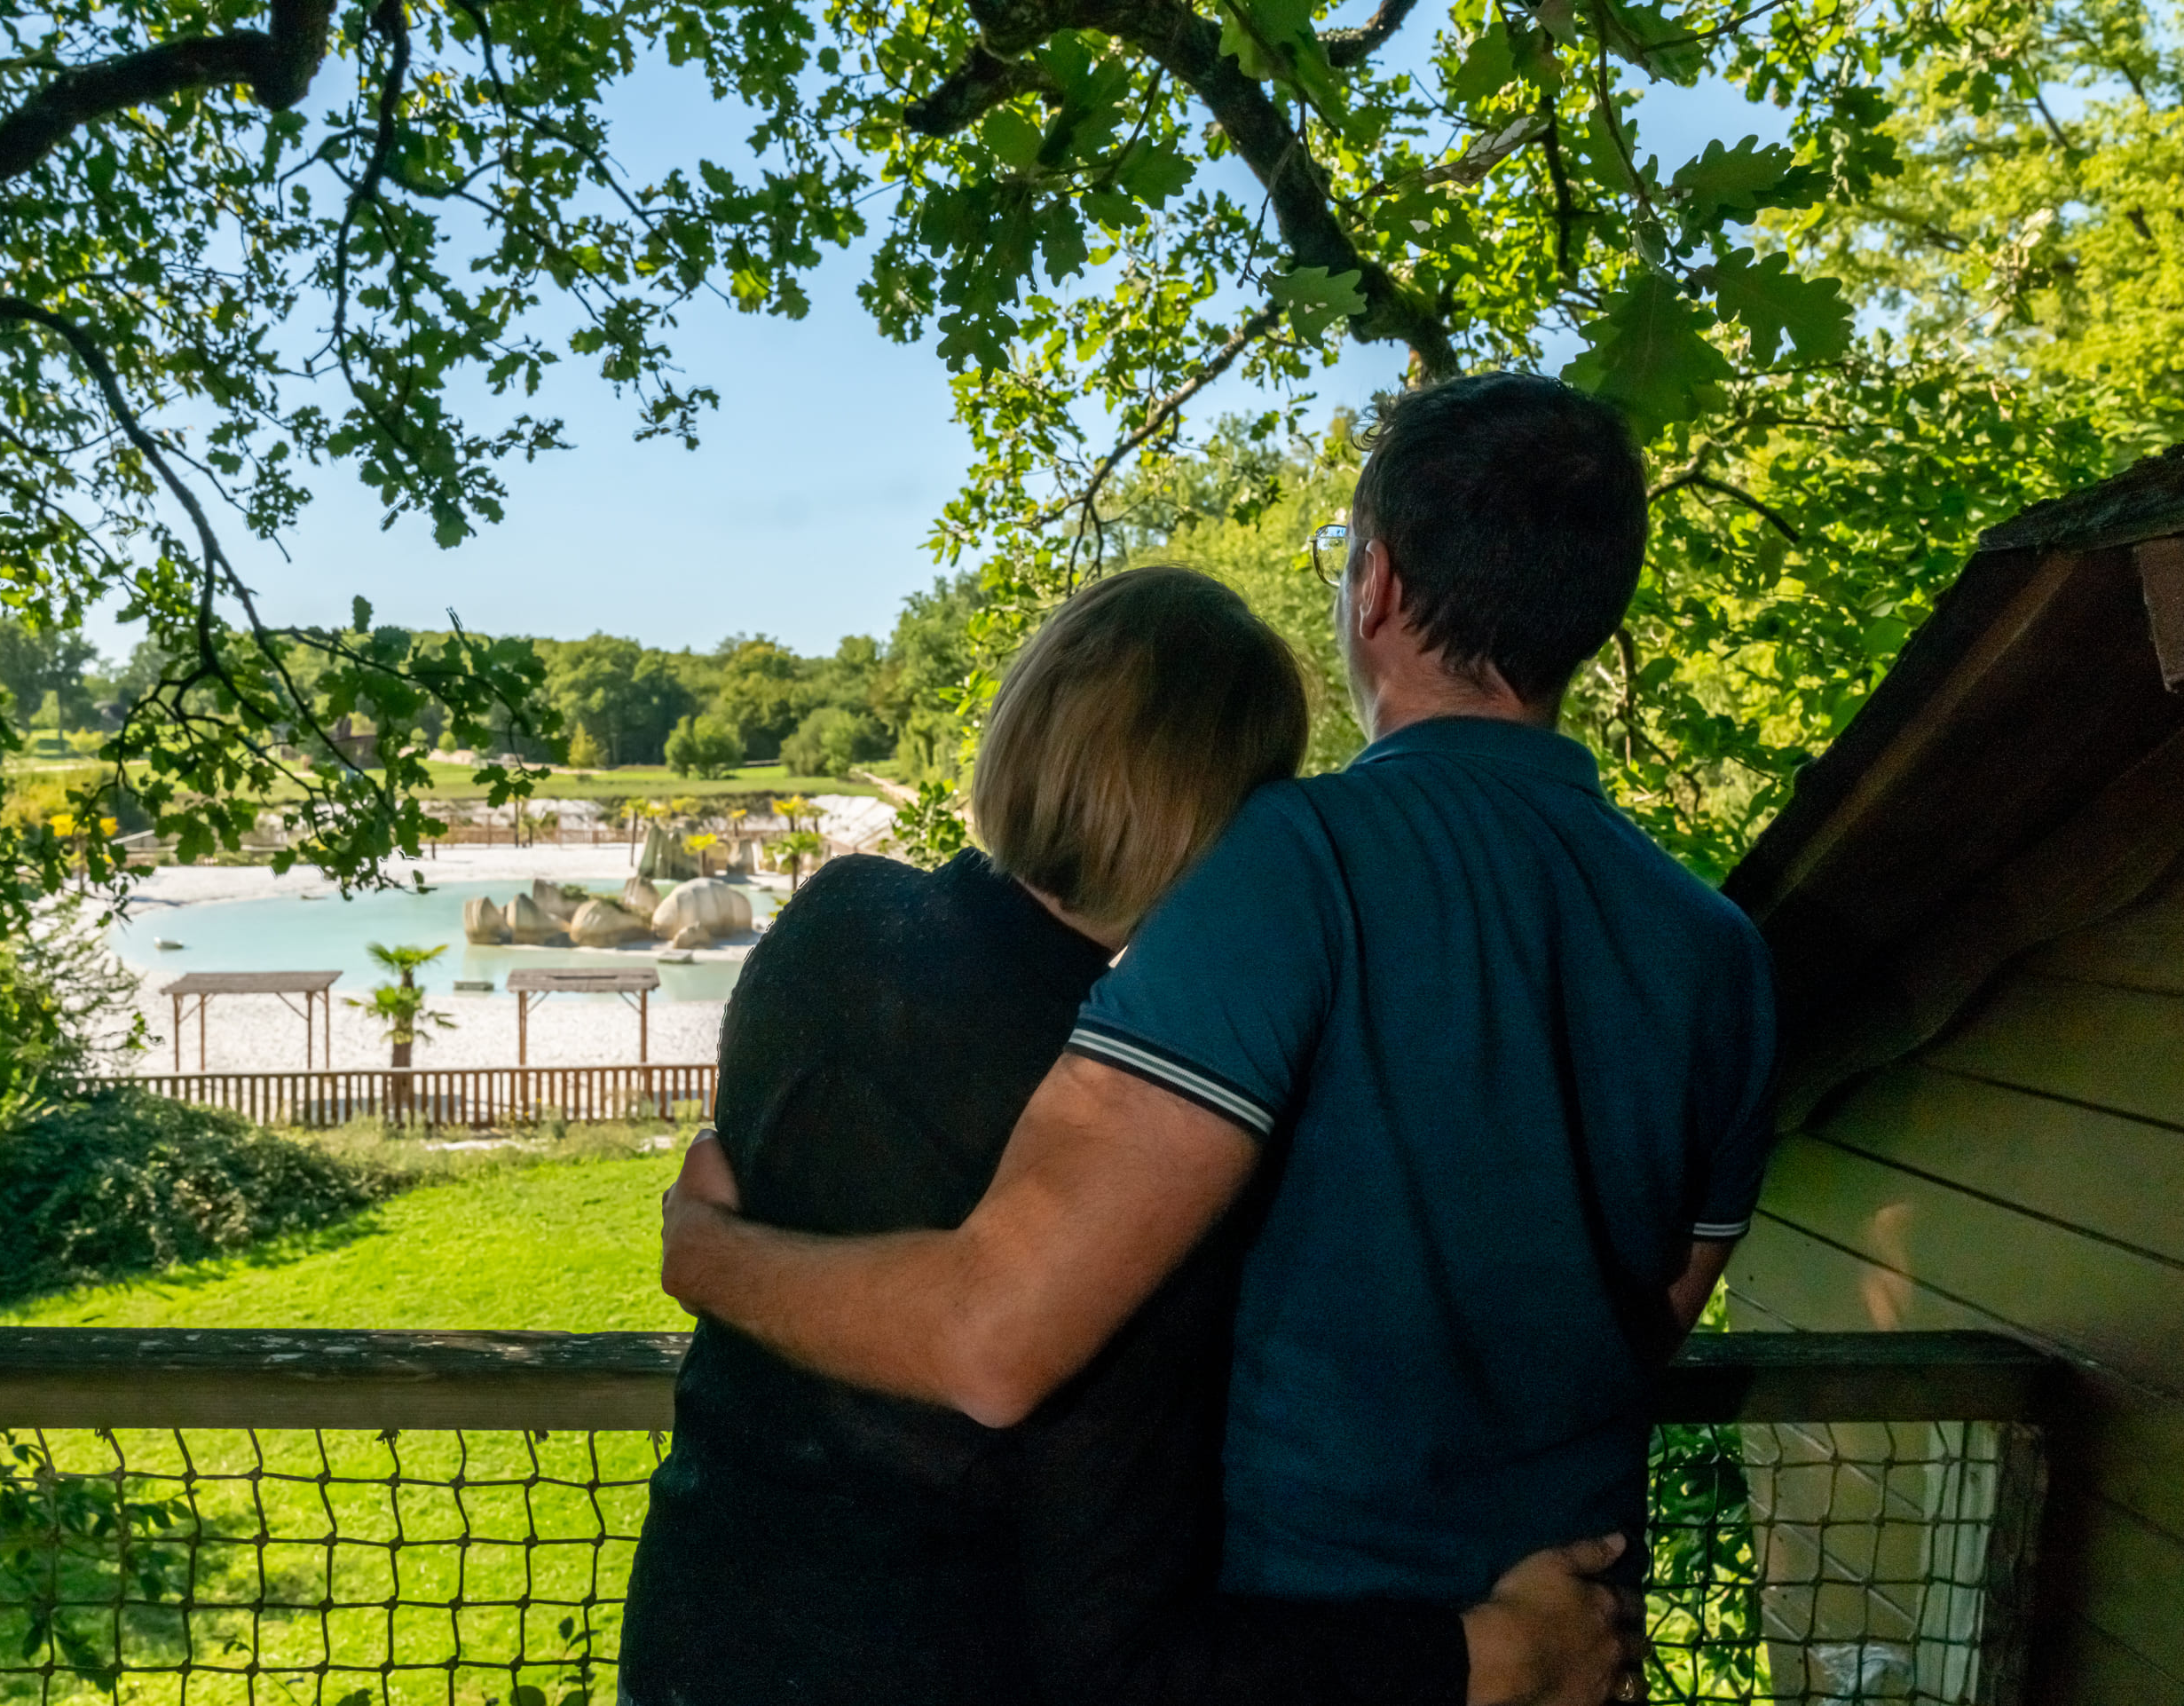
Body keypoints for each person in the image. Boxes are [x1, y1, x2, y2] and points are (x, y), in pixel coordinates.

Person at [660, 375, 1778, 1686]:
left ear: (1376, 586)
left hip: (1316, 1645)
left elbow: (999, 1334)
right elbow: (1649, 1318)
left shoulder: (1292, 865)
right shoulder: (1721, 954)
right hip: (1574, 1629)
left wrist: (710, 1256)